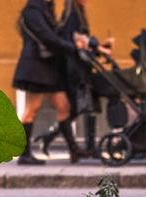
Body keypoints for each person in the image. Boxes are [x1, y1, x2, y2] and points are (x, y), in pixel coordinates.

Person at [34, 0, 113, 162]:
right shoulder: (73, 16)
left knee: (86, 105)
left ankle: (84, 144)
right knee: (78, 107)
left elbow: (81, 42)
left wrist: (98, 48)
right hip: (75, 69)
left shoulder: (75, 14)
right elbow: (77, 42)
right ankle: (80, 144)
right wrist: (97, 47)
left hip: (79, 67)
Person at [13, 0, 89, 165]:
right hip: (35, 66)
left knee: (64, 107)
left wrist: (74, 43)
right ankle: (24, 154)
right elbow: (47, 37)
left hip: (47, 67)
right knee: (31, 110)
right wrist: (72, 48)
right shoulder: (32, 11)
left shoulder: (46, 9)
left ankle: (74, 150)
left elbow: (54, 35)